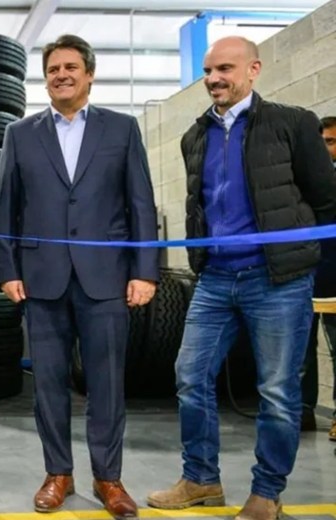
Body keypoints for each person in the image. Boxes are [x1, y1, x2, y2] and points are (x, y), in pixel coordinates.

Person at [146, 36, 336, 520]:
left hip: (277, 280)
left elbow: (326, 199)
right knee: (190, 377)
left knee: (277, 391)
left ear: (253, 70)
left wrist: (304, 258)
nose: (214, 79)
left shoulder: (292, 124)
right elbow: (199, 206)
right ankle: (201, 478)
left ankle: (266, 492)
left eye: (225, 69)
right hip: (215, 281)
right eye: (209, 71)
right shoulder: (194, 136)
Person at [0, 33, 158, 520]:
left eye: (70, 67)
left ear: (89, 74)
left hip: (106, 280)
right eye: (52, 69)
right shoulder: (19, 134)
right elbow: (5, 210)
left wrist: (145, 271)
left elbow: (141, 204)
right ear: (44, 78)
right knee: (47, 383)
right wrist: (7, 270)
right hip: (41, 280)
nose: (61, 75)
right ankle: (57, 474)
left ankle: (109, 478)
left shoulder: (122, 129)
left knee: (107, 384)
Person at [315, 116, 336, 446]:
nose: (326, 147)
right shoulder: (310, 180)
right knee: (298, 355)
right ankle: (301, 412)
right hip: (305, 276)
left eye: (331, 141)